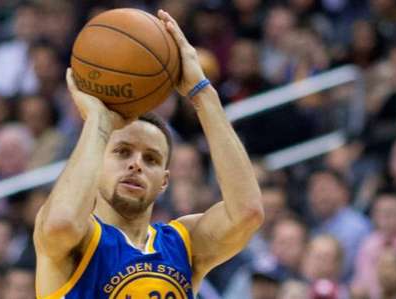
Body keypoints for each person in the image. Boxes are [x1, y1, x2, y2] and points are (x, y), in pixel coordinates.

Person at [34, 10, 264, 299]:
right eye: (122, 152)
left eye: (151, 159)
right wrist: (98, 123)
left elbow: (247, 212)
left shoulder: (182, 244)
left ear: (164, 180)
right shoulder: (79, 240)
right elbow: (61, 224)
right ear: (96, 166)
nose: (136, 164)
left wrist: (202, 93)